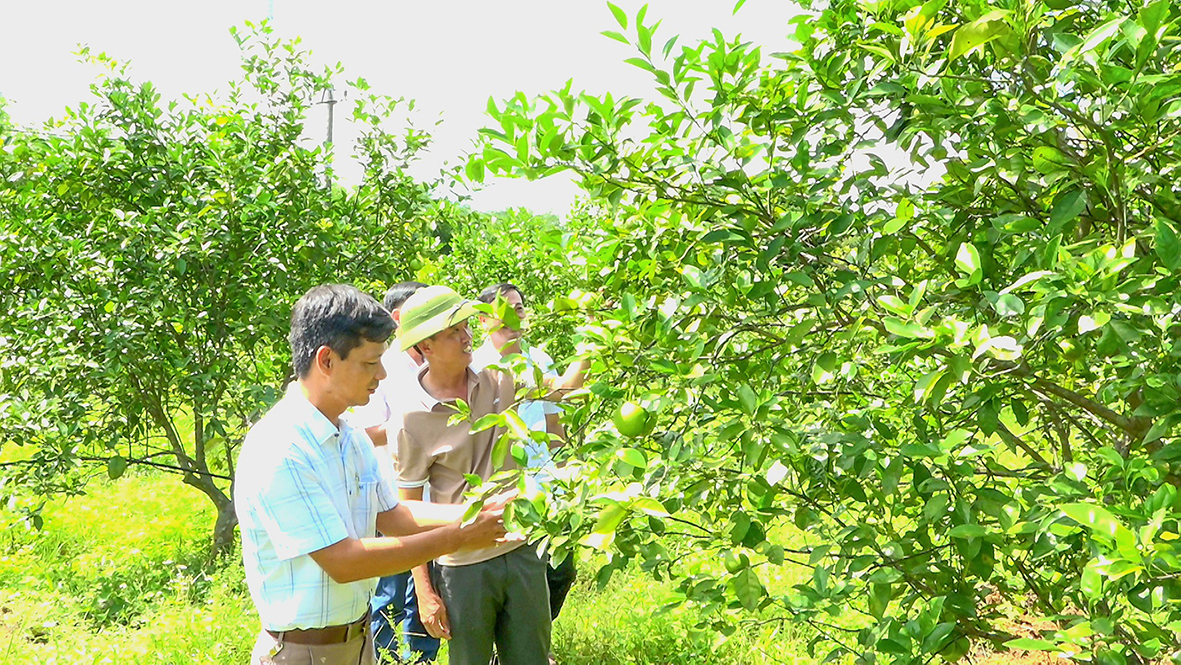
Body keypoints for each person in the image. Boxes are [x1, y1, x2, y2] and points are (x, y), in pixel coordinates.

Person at [235, 284, 509, 665]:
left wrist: (481, 510)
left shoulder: (349, 435)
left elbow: (394, 515)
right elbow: (345, 561)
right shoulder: (282, 447)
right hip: (301, 652)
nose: (382, 374)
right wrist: (458, 536)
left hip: (358, 641)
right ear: (326, 361)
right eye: (369, 362)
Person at [393, 285, 551, 665]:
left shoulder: (496, 378)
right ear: (425, 347)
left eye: (465, 327)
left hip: (523, 549)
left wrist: (596, 342)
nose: (467, 338)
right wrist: (425, 592)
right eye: (454, 333)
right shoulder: (411, 418)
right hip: (462, 567)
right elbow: (407, 514)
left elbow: (559, 392)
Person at [470, 283, 582, 625]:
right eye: (503, 309)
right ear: (484, 320)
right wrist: (592, 340)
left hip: (544, 487)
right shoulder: (478, 366)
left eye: (519, 308)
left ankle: (534, 642)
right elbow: (566, 388)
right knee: (512, 576)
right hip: (502, 489)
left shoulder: (540, 360)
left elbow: (554, 424)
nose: (513, 316)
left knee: (560, 571)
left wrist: (565, 478)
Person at [344, 281, 441, 663]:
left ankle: (423, 656)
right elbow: (364, 432)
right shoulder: (385, 368)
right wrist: (413, 425)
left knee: (429, 591)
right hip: (388, 497)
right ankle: (385, 656)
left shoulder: (436, 364)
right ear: (401, 318)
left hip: (432, 499)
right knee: (390, 591)